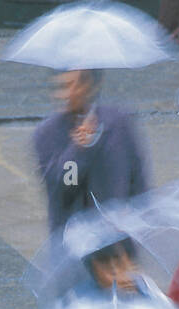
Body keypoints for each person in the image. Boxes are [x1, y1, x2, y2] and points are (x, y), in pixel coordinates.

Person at [34, 69, 149, 234]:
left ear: (89, 86)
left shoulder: (119, 122)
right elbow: (64, 189)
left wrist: (139, 216)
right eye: (59, 87)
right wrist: (77, 151)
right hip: (75, 238)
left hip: (119, 234)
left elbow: (137, 176)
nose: (64, 95)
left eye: (70, 86)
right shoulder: (47, 134)